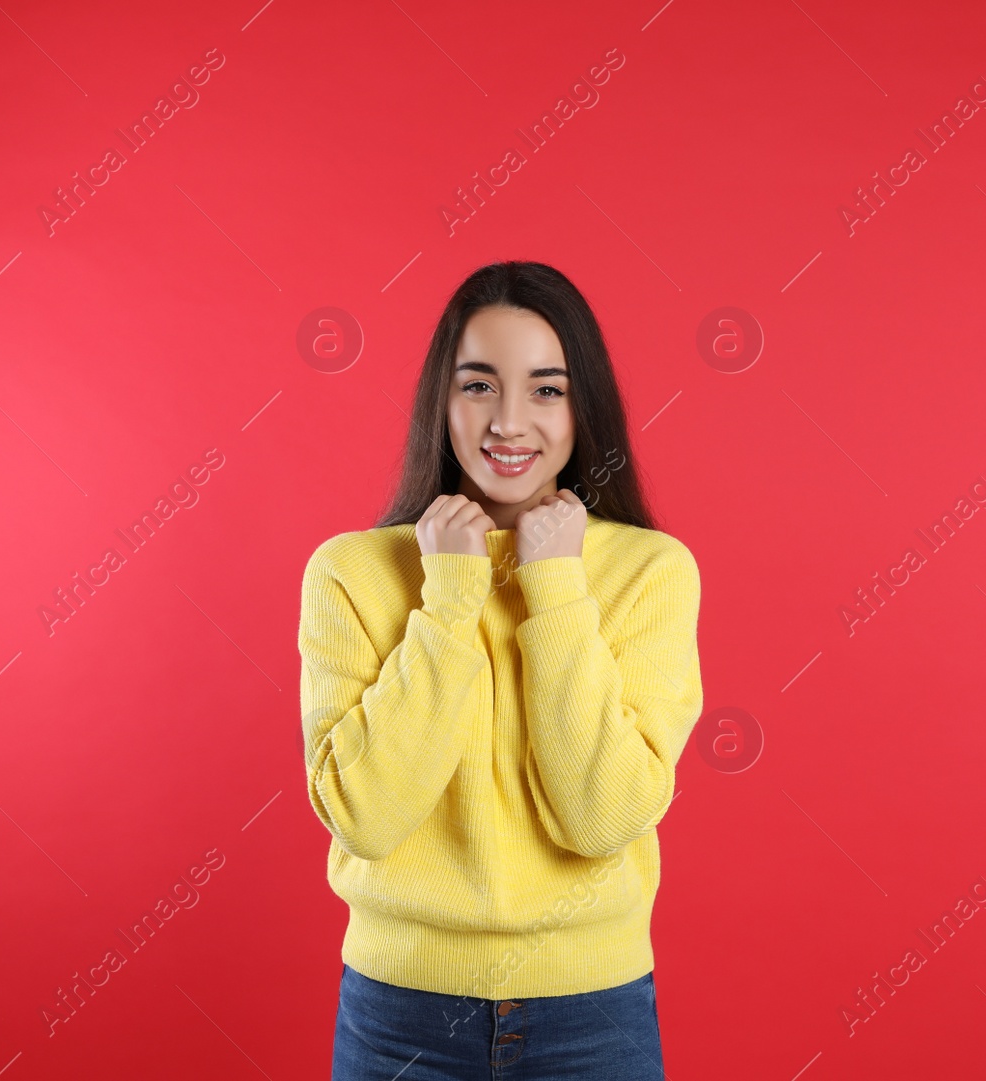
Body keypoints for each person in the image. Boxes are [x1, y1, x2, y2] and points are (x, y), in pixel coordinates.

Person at [296, 261, 703, 1079]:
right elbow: (366, 818)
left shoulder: (651, 572)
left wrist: (553, 585)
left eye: (547, 390)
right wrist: (449, 596)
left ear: (583, 404)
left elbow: (602, 816)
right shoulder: (352, 572)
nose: (509, 421)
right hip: (399, 1011)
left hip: (593, 1012)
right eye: (479, 385)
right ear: (440, 403)